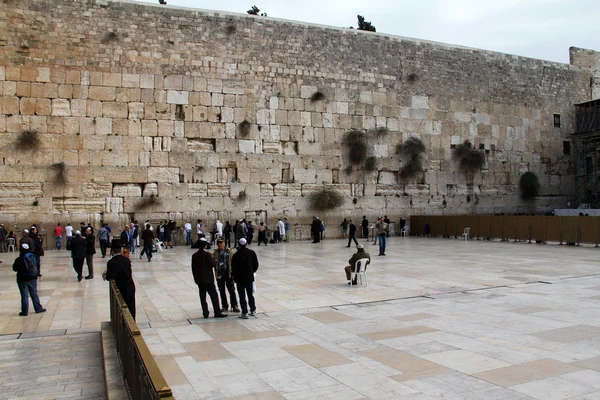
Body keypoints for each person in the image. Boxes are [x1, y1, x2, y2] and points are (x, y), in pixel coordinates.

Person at [191, 238, 227, 319]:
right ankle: (217, 311)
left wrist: (196, 279)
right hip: (208, 279)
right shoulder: (207, 255)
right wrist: (214, 260)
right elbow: (211, 264)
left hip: (200, 280)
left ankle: (205, 313)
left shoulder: (194, 255)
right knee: (214, 296)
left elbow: (193, 268)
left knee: (202, 297)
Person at [103, 243, 136, 320]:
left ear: (112, 252)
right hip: (129, 285)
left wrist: (107, 274)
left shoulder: (111, 262)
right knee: (131, 306)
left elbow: (111, 276)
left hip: (120, 287)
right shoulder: (126, 260)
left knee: (121, 307)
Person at [13, 244, 46, 316]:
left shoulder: (19, 259)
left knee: (24, 296)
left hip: (22, 279)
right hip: (32, 278)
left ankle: (24, 312)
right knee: (34, 294)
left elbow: (14, 269)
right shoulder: (32, 257)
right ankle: (38, 308)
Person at [231, 238, 259, 319]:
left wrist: (235, 276)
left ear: (239, 244)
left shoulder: (236, 255)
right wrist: (251, 272)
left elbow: (233, 267)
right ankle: (253, 310)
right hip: (249, 278)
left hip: (240, 279)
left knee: (242, 295)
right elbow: (256, 264)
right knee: (250, 294)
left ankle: (245, 312)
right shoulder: (251, 253)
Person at [213, 238, 239, 313]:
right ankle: (224, 306)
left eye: (221, 243)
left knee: (231, 290)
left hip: (228, 274)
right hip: (220, 275)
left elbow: (234, 262)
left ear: (224, 243)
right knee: (222, 291)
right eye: (218, 243)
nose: (219, 244)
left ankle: (234, 305)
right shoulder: (215, 252)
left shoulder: (230, 251)